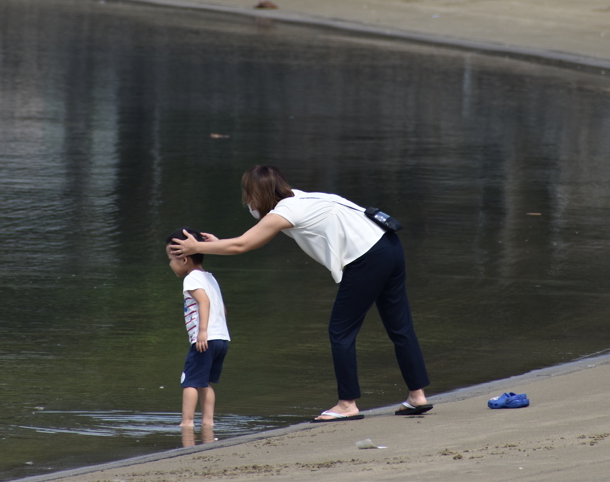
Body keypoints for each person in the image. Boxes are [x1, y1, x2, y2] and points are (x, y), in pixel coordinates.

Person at [170, 165, 431, 422]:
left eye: (248, 195)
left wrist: (196, 246)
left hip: (367, 258)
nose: (247, 201)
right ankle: (417, 396)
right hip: (390, 245)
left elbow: (243, 244)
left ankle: (347, 404)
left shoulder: (286, 211)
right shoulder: (301, 198)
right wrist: (216, 245)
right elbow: (250, 238)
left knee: (340, 332)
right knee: (400, 326)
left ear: (256, 195)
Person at [165, 227, 231, 431]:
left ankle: (187, 422)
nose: (170, 264)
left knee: (190, 381)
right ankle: (208, 422)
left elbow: (204, 302)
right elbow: (222, 308)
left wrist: (202, 332)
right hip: (221, 338)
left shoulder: (191, 278)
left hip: (205, 338)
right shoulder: (209, 277)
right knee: (205, 383)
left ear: (184, 259)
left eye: (171, 259)